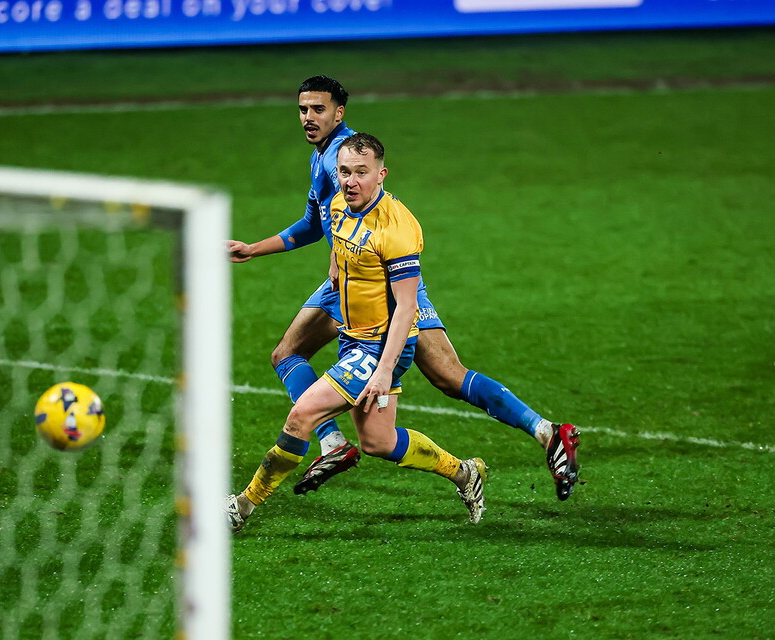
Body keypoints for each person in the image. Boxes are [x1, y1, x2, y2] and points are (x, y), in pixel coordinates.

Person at [227, 76, 580, 501]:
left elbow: (361, 223)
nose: (308, 118)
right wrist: (255, 248)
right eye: (303, 109)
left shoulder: (341, 155)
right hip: (349, 278)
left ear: (338, 113)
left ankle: (546, 433)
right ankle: (336, 444)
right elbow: (314, 226)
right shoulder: (325, 156)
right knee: (291, 355)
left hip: (384, 282)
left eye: (317, 109)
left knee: (446, 376)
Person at [227, 134, 488, 531]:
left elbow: (406, 307)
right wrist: (335, 265)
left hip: (381, 347)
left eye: (361, 174)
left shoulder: (397, 230)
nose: (350, 181)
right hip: (354, 338)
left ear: (381, 175)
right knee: (379, 442)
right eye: (344, 172)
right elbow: (337, 239)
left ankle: (241, 507)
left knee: (302, 416)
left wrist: (384, 371)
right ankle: (465, 473)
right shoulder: (338, 204)